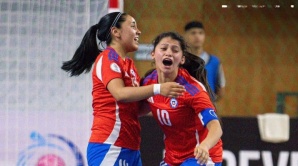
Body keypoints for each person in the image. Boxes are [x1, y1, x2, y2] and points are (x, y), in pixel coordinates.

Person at [61, 12, 185, 166]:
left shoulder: (129, 64)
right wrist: (158, 88)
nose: (138, 31)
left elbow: (135, 108)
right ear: (116, 32)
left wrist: (165, 97)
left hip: (131, 147)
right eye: (133, 26)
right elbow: (119, 94)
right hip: (109, 146)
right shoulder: (107, 58)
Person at [141, 32, 223, 166]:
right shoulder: (149, 83)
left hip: (200, 157)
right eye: (163, 48)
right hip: (172, 157)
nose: (168, 53)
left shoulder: (192, 89)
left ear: (182, 59)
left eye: (175, 50)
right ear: (153, 54)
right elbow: (137, 109)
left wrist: (205, 146)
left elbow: (216, 127)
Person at [184, 21, 226, 101]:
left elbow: (221, 89)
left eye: (200, 33)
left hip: (207, 107)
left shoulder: (214, 61)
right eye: (193, 33)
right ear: (185, 36)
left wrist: (209, 104)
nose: (197, 36)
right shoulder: (179, 61)